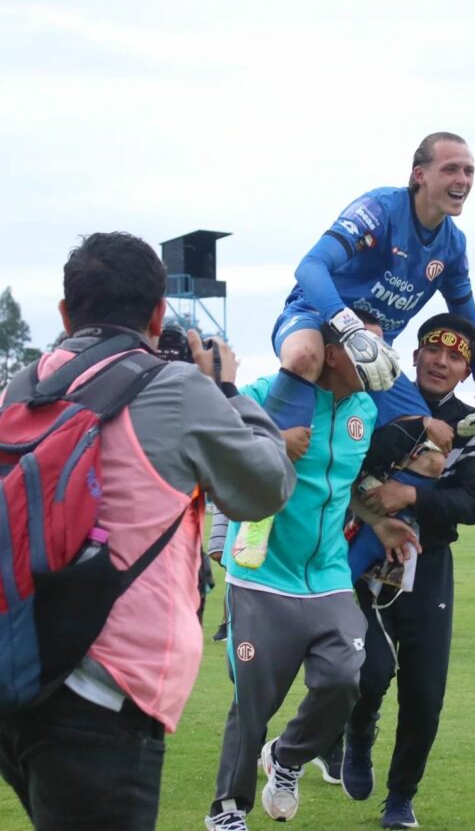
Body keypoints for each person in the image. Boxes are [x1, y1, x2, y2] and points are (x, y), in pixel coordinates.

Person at [0, 232, 296, 831]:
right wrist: (228, 390)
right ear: (159, 312)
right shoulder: (176, 388)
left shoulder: (24, 386)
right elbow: (265, 486)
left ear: (64, 312)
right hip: (104, 691)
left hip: (20, 666)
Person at [205, 324, 418, 831]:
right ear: (330, 354)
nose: (376, 359)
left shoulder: (363, 411)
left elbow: (340, 485)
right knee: (254, 700)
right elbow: (211, 440)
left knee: (348, 676)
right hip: (261, 574)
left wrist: (377, 519)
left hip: (326, 575)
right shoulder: (267, 394)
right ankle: (228, 811)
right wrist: (273, 440)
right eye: (362, 346)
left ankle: (287, 757)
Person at [341, 312, 475, 830]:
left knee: (426, 693)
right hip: (362, 555)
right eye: (434, 349)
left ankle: (400, 798)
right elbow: (345, 466)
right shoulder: (381, 395)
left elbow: (474, 501)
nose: (442, 361)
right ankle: (358, 735)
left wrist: (410, 493)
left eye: (456, 357)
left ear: (466, 369)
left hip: (427, 563)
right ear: (414, 354)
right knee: (370, 673)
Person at [266, 131, 475, 442]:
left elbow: (471, 323)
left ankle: (354, 489)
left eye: (469, 171)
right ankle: (262, 452)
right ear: (420, 175)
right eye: (450, 169)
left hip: (373, 352)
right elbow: (310, 267)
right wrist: (349, 328)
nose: (463, 180)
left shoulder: (453, 245)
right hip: (315, 318)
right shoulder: (380, 210)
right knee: (304, 357)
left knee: (428, 443)